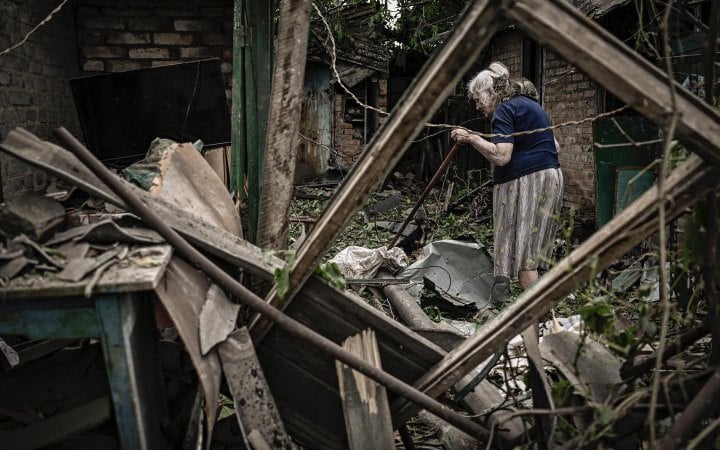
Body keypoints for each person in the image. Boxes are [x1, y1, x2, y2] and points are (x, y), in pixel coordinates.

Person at [451, 62, 563, 290]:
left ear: (489, 93)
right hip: (551, 178)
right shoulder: (530, 106)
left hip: (528, 182)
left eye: (476, 99)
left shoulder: (504, 110)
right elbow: (556, 146)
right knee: (532, 252)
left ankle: (535, 319)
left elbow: (502, 157)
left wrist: (471, 138)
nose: (477, 107)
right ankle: (542, 315)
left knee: (525, 260)